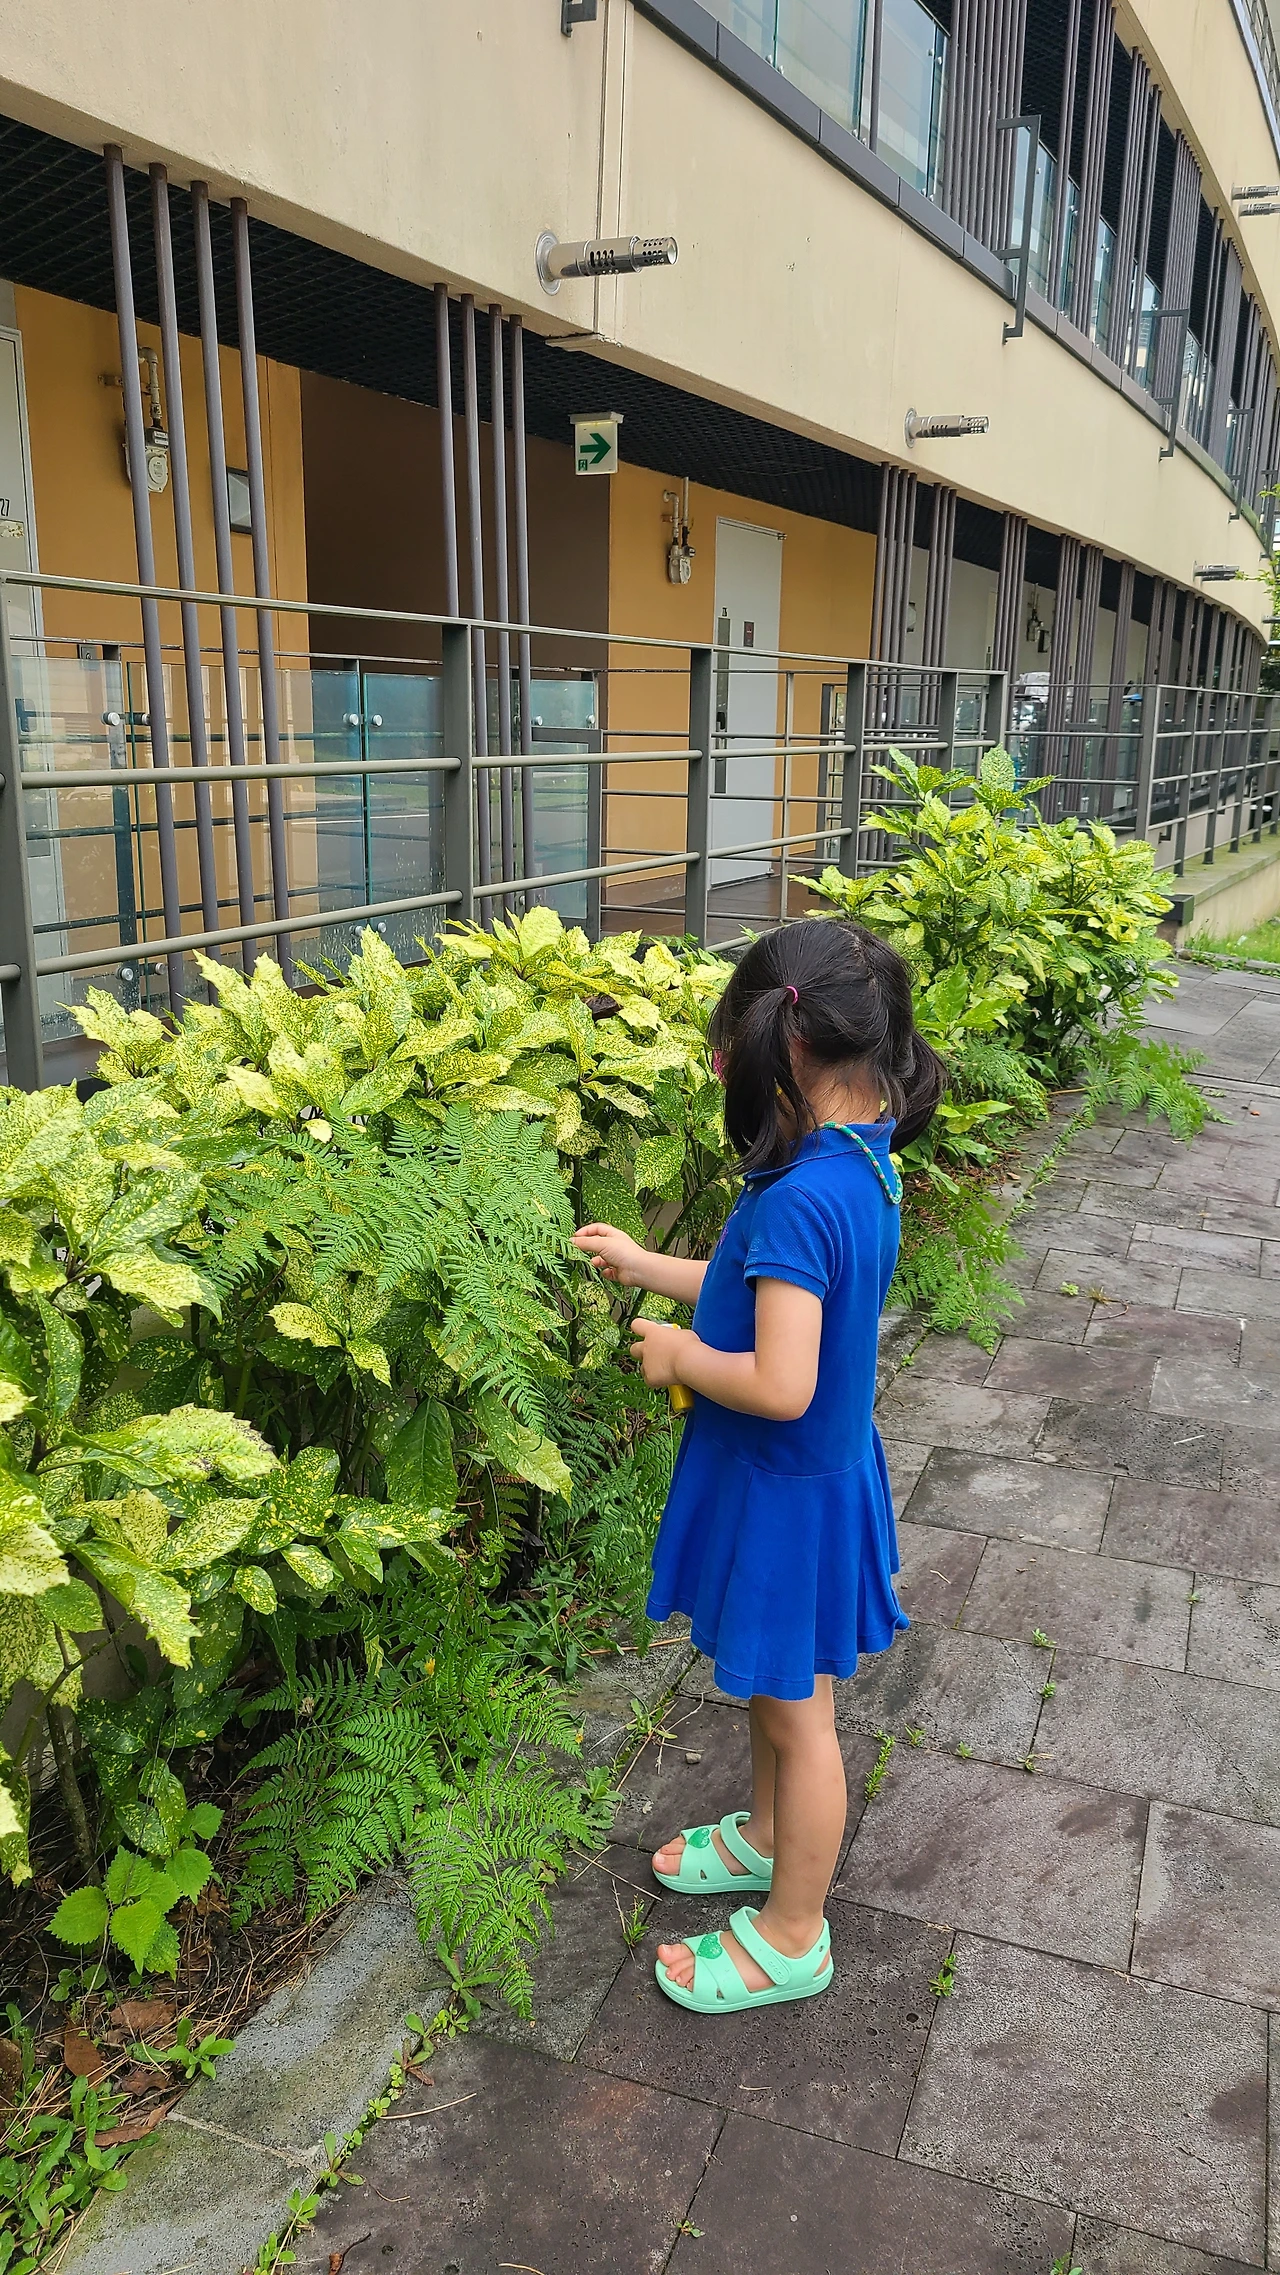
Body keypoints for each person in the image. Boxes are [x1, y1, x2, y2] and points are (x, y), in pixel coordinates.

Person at [572, 919, 945, 2016]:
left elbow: (779, 1378)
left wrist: (679, 1357)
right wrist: (646, 1263)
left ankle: (793, 1935)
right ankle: (772, 1836)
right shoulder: (858, 1161)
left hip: (784, 1496)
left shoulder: (797, 1195)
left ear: (782, 1051)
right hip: (819, 1479)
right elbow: (764, 1287)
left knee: (797, 1716)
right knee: (779, 1693)